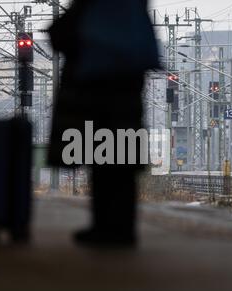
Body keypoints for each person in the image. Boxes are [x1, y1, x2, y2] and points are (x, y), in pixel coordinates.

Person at [48, 0, 159, 247]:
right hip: (129, 87)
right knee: (122, 161)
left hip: (96, 88)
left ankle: (103, 227)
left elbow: (61, 35)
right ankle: (124, 229)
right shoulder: (133, 7)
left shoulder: (94, 6)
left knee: (102, 161)